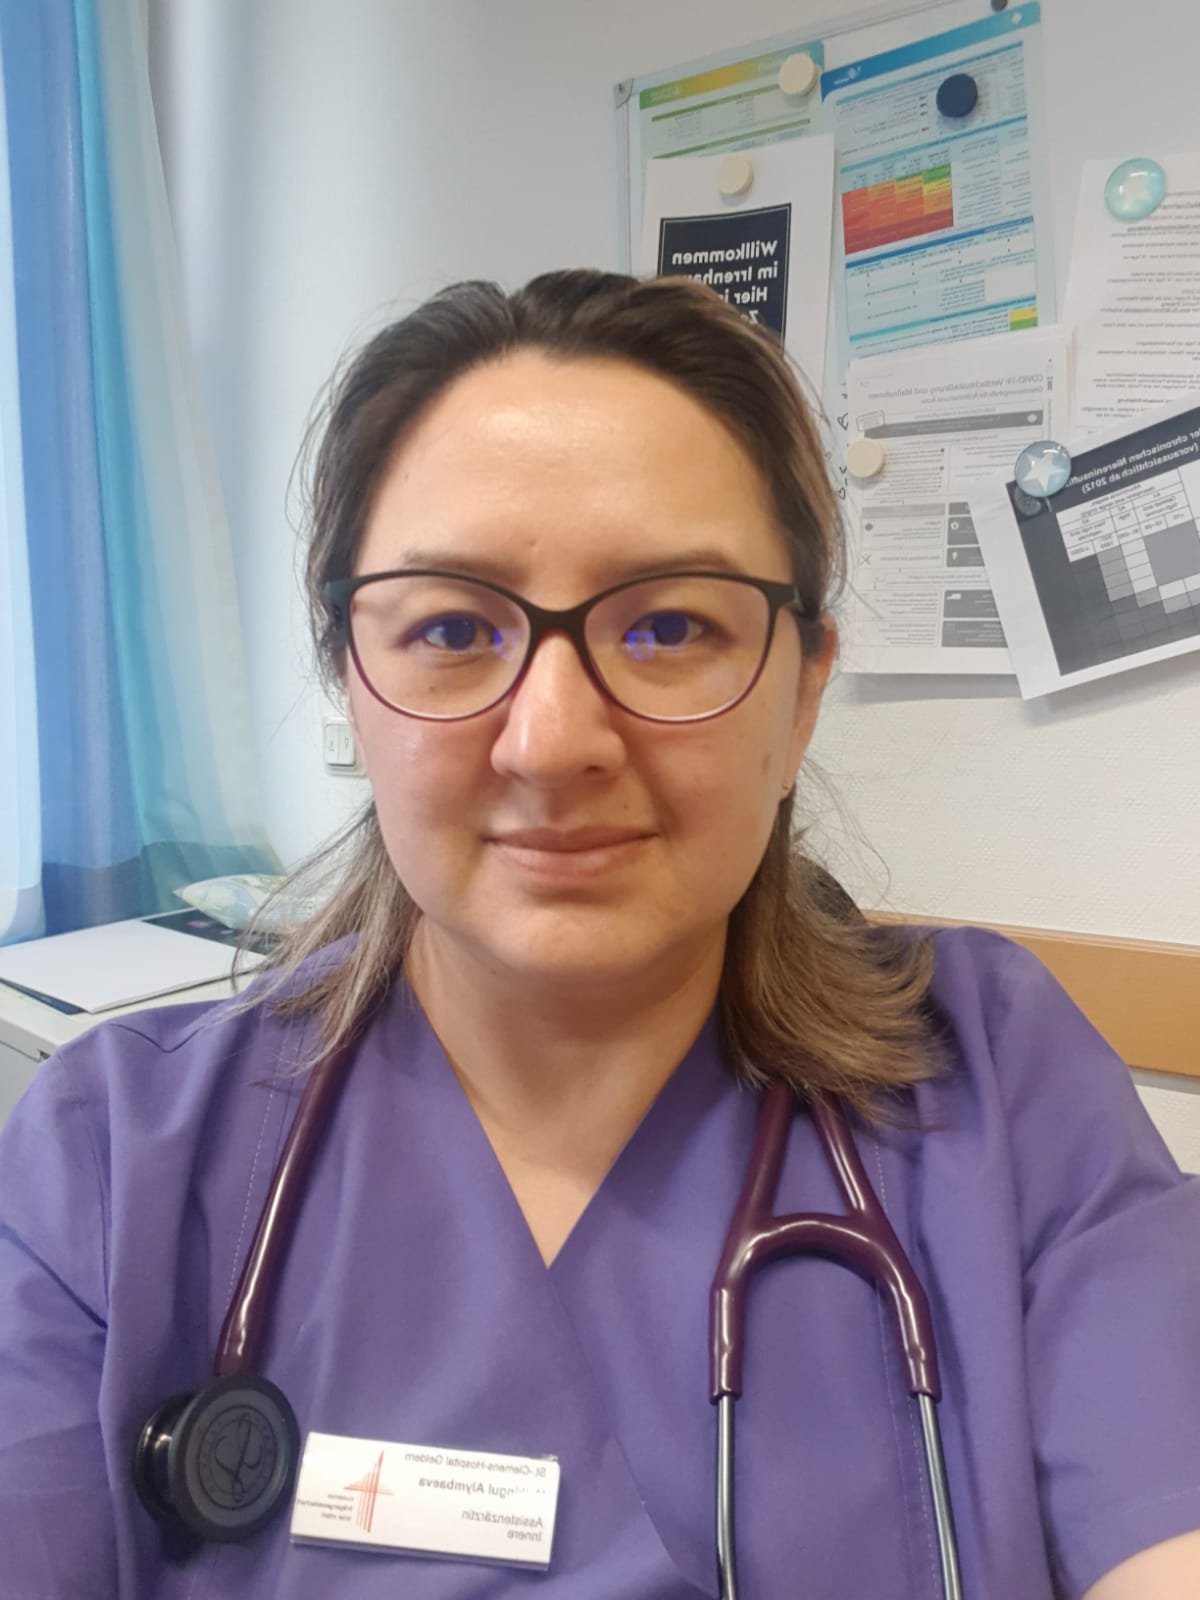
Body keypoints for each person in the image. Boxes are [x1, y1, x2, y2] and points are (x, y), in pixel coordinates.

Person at [1, 270, 1198, 1600]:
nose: (553, 740)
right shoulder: (110, 1162)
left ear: (803, 689)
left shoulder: (1000, 1083)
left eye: (669, 626)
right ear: (352, 677)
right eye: (453, 628)